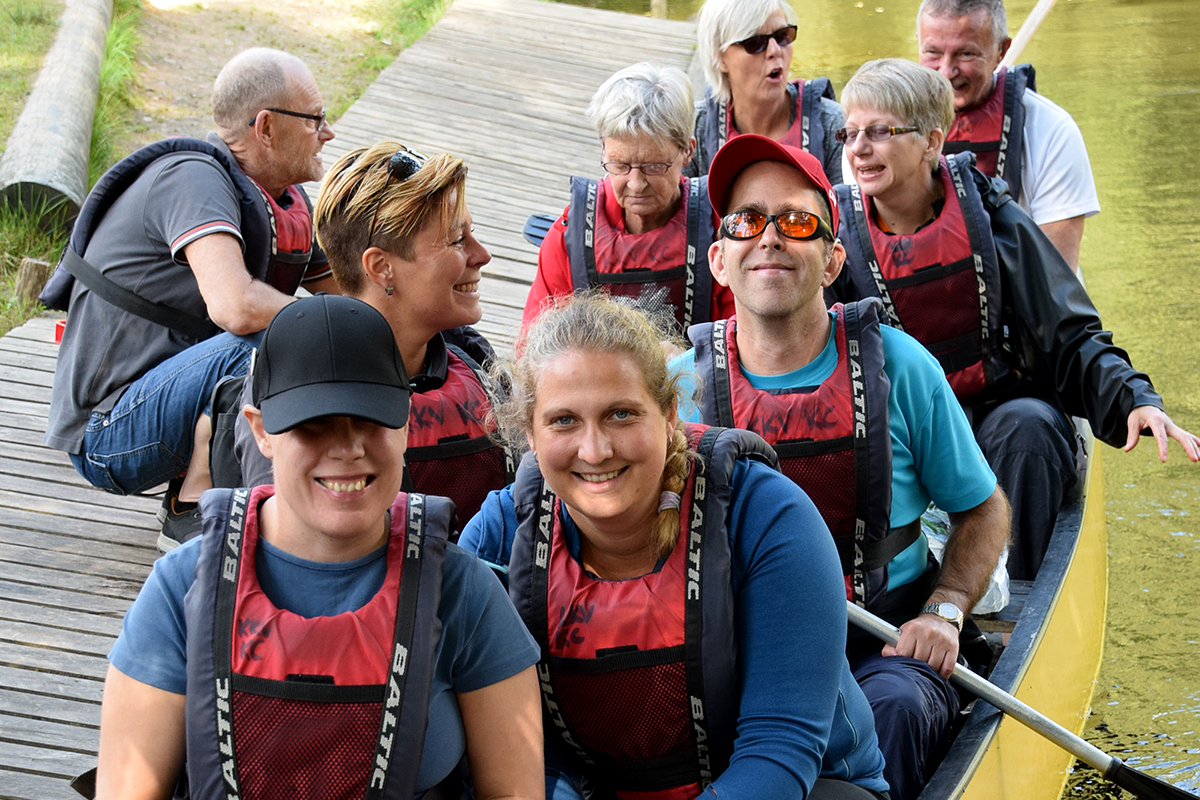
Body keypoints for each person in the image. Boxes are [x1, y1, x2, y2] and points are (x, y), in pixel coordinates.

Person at [94, 294, 543, 800]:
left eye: (372, 420)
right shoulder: (181, 589)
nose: (348, 449)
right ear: (261, 430)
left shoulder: (464, 594)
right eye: (314, 424)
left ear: (403, 424)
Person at [671, 134, 1008, 800]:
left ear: (832, 260)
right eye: (747, 221)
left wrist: (944, 610)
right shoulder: (672, 392)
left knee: (895, 713)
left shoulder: (902, 367)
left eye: (797, 222)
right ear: (718, 259)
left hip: (885, 644)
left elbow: (983, 508)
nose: (770, 238)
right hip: (738, 650)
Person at [461, 293, 890, 800]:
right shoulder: (498, 536)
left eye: (621, 414)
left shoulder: (766, 516)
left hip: (807, 785)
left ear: (668, 415)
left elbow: (780, 749)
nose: (595, 450)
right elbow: (516, 751)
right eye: (563, 421)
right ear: (530, 434)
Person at [829, 58, 1200, 581]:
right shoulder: (835, 238)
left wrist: (1133, 398)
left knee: (1028, 429)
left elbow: (1066, 328)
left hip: (1000, 410)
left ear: (932, 141)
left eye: (880, 132)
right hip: (906, 428)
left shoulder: (990, 215)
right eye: (850, 132)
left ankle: (1016, 611)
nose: (859, 148)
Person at [43, 47, 340, 545]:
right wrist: (334, 330)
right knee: (264, 341)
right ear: (265, 127)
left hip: (165, 401)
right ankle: (192, 506)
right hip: (106, 433)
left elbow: (352, 300)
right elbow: (236, 306)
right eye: (316, 120)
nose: (328, 132)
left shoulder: (284, 203)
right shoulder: (192, 180)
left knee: (306, 332)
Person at [227, 142, 515, 536]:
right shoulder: (291, 381)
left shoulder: (472, 356)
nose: (482, 255)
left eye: (473, 235)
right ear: (382, 268)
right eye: (456, 240)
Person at [524, 62, 732, 333]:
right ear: (603, 151)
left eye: (654, 166)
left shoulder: (718, 229)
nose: (636, 184)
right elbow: (535, 344)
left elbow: (742, 338)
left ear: (687, 151)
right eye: (620, 165)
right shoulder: (570, 236)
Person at [916, 0, 1097, 271]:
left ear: (1002, 51)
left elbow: (1058, 275)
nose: (946, 71)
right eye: (933, 53)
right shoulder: (880, 135)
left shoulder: (1052, 131)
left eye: (965, 54)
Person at [686, 0, 844, 184]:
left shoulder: (831, 124)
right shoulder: (696, 128)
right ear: (720, 58)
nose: (775, 51)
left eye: (782, 36)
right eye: (755, 43)